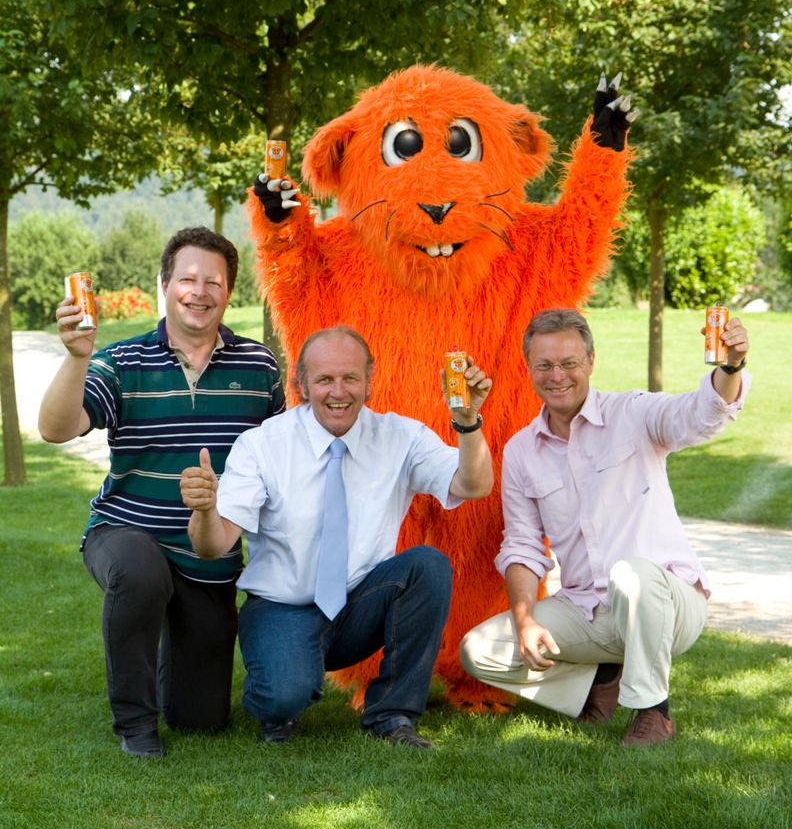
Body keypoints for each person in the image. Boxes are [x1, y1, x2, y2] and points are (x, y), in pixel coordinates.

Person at [180, 325, 494, 749]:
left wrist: (468, 422)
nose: (338, 391)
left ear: (369, 380)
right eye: (325, 379)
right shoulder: (262, 445)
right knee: (284, 696)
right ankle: (276, 698)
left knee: (427, 566)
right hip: (282, 607)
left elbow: (473, 485)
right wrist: (203, 511)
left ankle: (393, 714)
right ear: (302, 384)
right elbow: (213, 545)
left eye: (350, 378)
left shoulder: (400, 436)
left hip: (358, 605)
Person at [38, 227, 286, 758]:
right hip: (125, 531)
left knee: (202, 720)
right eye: (188, 279)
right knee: (139, 572)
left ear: (229, 291)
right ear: (166, 285)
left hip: (209, 552)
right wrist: (77, 355)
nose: (200, 291)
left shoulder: (260, 367)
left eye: (213, 282)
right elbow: (56, 429)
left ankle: (172, 647)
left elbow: (285, 456)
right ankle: (135, 723)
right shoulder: (121, 361)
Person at [460, 306, 751, 747]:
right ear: (529, 369)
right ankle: (597, 682)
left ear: (591, 362)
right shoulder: (521, 450)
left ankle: (654, 712)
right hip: (587, 611)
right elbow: (521, 545)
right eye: (544, 365)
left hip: (668, 604)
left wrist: (729, 367)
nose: (557, 375)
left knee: (629, 574)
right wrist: (524, 620)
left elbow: (700, 415)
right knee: (479, 651)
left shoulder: (634, 413)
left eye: (569, 363)